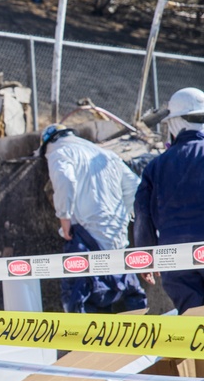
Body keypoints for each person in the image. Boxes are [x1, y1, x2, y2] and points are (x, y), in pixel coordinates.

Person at [40, 124, 146, 313]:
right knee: (125, 294)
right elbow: (134, 186)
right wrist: (125, 219)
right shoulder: (105, 155)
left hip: (86, 239)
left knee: (80, 297)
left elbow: (65, 179)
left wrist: (64, 219)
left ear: (49, 144)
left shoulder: (58, 152)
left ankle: (88, 340)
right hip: (117, 241)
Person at [134, 88, 204, 313]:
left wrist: (145, 255)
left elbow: (142, 214)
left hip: (173, 257)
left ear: (174, 123)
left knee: (193, 323)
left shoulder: (156, 166)